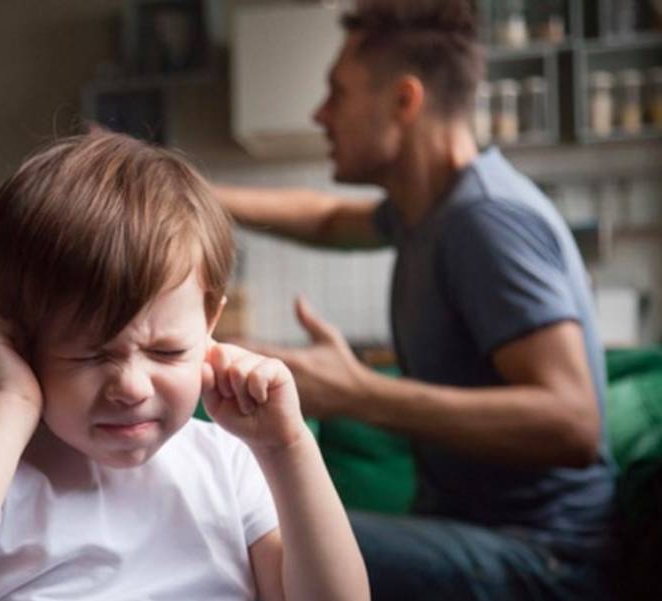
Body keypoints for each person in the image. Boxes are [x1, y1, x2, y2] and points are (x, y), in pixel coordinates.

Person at [214, 2, 615, 600]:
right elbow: (324, 218)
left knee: (261, 545)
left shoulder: (484, 221)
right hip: (476, 530)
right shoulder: (427, 211)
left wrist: (356, 393)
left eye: (338, 94)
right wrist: (184, 187)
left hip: (543, 557)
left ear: (405, 100)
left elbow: (574, 422)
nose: (320, 115)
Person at [0, 132, 369, 601]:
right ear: (14, 342)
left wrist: (286, 448)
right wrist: (11, 405)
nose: (130, 386)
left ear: (209, 321)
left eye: (167, 351)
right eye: (89, 354)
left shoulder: (229, 463)